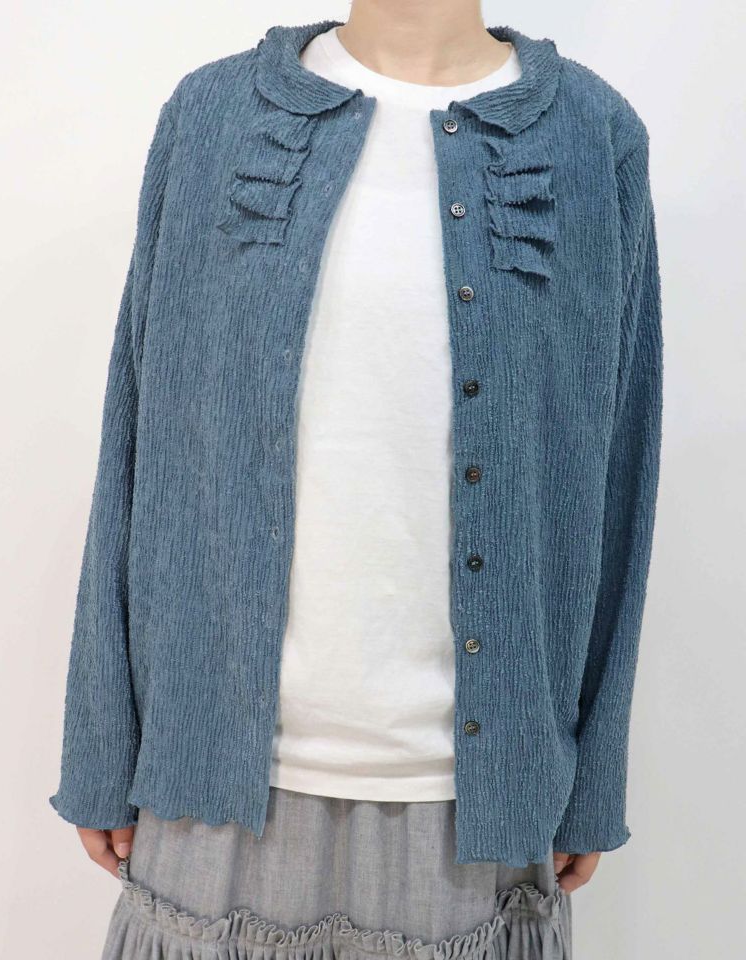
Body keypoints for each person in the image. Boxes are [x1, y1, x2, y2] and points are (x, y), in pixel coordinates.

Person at [50, 3, 663, 958]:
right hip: (215, 788)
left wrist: (593, 780)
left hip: (473, 808)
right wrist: (100, 744)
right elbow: (138, 438)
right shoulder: (212, 115)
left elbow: (619, 470)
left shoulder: (595, 133)